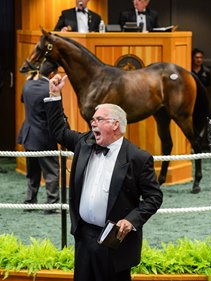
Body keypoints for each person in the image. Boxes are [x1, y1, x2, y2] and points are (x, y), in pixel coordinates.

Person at [43, 74, 163, 281]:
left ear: (115, 124)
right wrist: (55, 95)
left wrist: (131, 220)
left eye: (98, 119)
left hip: (114, 242)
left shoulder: (138, 158)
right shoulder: (85, 143)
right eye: (92, 120)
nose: (93, 123)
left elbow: (154, 197)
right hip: (84, 237)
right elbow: (59, 131)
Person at [17, 61, 62, 214]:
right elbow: (56, 114)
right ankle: (52, 204)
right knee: (51, 171)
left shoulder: (27, 85)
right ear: (51, 74)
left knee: (32, 172)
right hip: (45, 137)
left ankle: (30, 202)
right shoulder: (49, 90)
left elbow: (23, 100)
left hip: (29, 135)